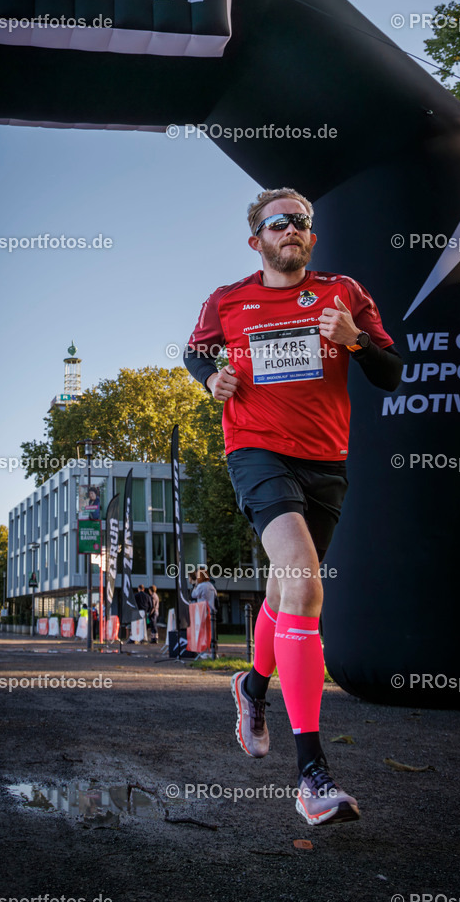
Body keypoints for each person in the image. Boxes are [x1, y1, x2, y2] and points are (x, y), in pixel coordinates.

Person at [184, 187, 402, 827]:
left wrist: (357, 341)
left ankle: (251, 687)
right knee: (304, 580)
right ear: (257, 239)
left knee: (288, 591)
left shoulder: (344, 293)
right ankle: (312, 776)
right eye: (281, 221)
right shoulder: (227, 299)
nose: (294, 229)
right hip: (254, 448)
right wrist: (211, 379)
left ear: (311, 236)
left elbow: (390, 372)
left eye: (303, 221)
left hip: (326, 461)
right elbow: (196, 351)